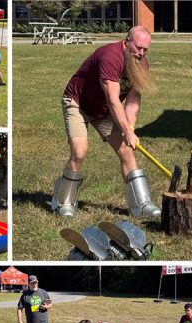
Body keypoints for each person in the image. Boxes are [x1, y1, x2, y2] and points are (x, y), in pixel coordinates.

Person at [51, 26, 159, 218]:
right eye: (138, 48)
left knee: (126, 150)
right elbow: (113, 99)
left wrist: (130, 128)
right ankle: (64, 202)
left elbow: (133, 100)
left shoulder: (141, 65)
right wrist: (125, 130)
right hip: (78, 103)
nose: (141, 53)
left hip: (105, 110)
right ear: (127, 42)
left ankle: (142, 204)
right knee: (79, 151)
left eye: (145, 50)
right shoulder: (110, 56)